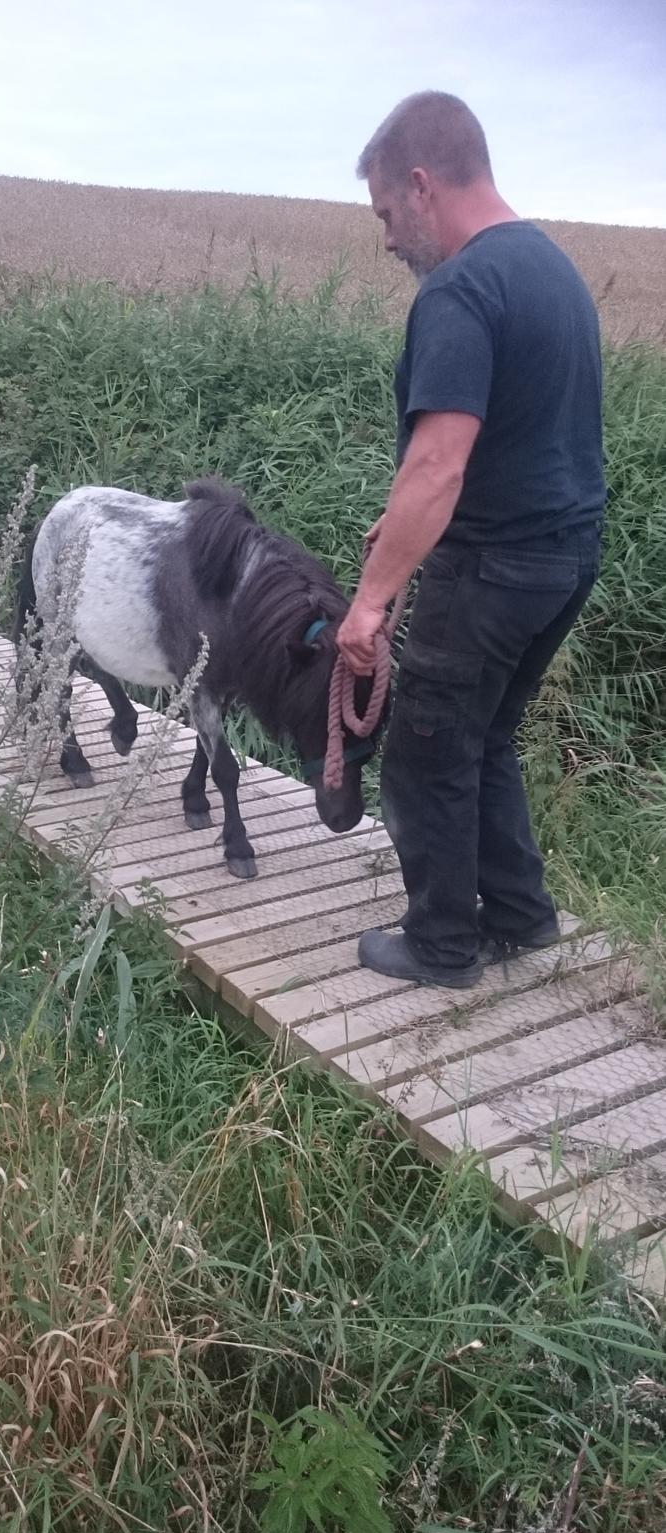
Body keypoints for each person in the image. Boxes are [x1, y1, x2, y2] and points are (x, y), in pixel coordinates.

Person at [336, 91, 606, 990]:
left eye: (383, 212)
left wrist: (369, 601)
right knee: (484, 737)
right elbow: (517, 438)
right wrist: (404, 525)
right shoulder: (552, 270)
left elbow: (439, 464)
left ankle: (443, 945)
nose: (385, 237)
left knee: (425, 750)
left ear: (421, 185)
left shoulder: (459, 289)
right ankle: (523, 918)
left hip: (491, 569)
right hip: (564, 559)